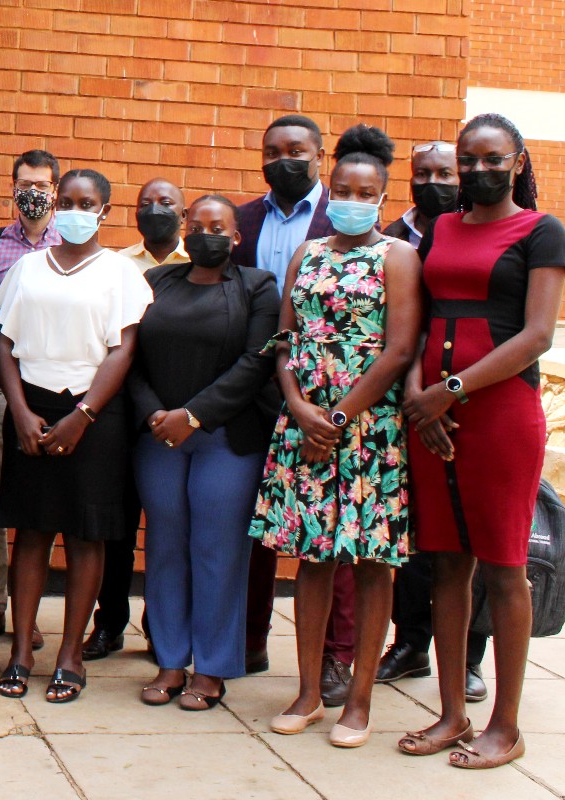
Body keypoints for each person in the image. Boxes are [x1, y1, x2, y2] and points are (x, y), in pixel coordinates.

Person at [398, 114, 565, 769]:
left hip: (499, 416)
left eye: (491, 159)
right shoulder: (440, 228)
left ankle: (505, 724)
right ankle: (450, 712)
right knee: (445, 563)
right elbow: (421, 317)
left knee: (503, 568)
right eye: (467, 160)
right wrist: (421, 398)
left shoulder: (541, 230)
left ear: (518, 161)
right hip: (433, 420)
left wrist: (450, 390)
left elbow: (537, 336)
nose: (477, 171)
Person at [253, 125, 419, 748]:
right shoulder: (309, 254)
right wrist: (298, 406)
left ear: (380, 196)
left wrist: (341, 416)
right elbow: (285, 340)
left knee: (372, 563)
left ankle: (359, 700)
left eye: (365, 191)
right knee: (312, 561)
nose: (352, 198)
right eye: (343, 190)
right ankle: (305, 692)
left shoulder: (399, 257)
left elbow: (400, 349)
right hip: (303, 428)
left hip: (367, 430)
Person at [0, 169, 151, 704]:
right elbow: (4, 341)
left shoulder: (122, 273)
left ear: (105, 211)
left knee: (86, 536)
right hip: (31, 411)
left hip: (93, 416)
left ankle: (70, 656)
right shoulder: (28, 268)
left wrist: (83, 415)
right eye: (69, 202)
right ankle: (20, 654)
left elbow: (123, 350)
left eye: (89, 203)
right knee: (31, 534)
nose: (77, 210)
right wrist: (18, 410)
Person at [127, 195, 280, 710]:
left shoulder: (258, 287)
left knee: (217, 550)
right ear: (184, 232)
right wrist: (155, 415)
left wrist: (192, 415)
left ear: (237, 238)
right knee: (165, 547)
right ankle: (171, 659)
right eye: (197, 226)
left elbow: (255, 362)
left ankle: (212, 667)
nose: (206, 234)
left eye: (218, 227)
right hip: (159, 438)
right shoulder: (155, 283)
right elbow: (130, 357)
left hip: (226, 438)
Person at [235, 115, 355, 695]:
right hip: (253, 389)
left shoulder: (348, 213)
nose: (284, 159)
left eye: (297, 150)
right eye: (272, 150)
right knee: (253, 522)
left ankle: (337, 656)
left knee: (340, 531)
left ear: (320, 155)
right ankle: (249, 639)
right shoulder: (241, 219)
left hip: (333, 398)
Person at [375, 140, 490, 701]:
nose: (436, 180)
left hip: (469, 399)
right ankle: (411, 642)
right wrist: (415, 399)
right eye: (424, 172)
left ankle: (470, 655)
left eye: (447, 171)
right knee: (416, 535)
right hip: (405, 399)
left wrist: (443, 396)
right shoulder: (393, 239)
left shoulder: (476, 233)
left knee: (475, 537)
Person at [86, 176, 193, 662]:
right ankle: (108, 623)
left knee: (170, 529)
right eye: (146, 203)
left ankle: (162, 625)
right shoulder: (115, 265)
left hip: (176, 414)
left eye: (165, 203)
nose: (155, 210)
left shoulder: (200, 264)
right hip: (120, 411)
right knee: (117, 526)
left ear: (183, 214)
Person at [0, 149, 62, 650]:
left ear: (57, 191)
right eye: (25, 183)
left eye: (42, 185)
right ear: (12, 187)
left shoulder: (73, 244)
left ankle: (28, 612)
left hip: (50, 394)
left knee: (36, 508)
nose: (33, 192)